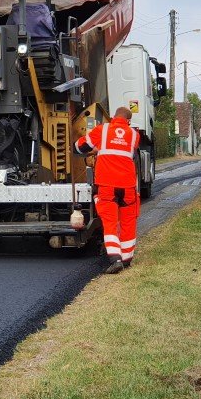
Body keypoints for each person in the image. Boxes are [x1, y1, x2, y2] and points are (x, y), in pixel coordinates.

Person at [74, 105, 140, 273]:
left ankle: (115, 258)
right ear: (128, 121)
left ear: (112, 117)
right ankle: (127, 259)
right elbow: (125, 151)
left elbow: (81, 147)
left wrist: (81, 147)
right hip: (128, 187)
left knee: (110, 222)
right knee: (128, 222)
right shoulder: (134, 135)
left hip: (107, 185)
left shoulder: (102, 130)